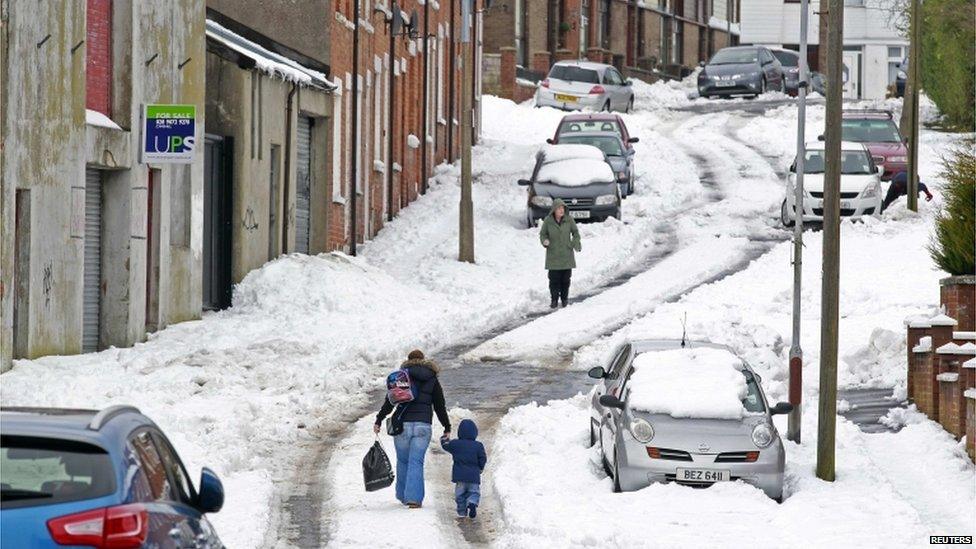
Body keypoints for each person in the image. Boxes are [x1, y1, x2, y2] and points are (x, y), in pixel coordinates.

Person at [374, 350, 451, 508]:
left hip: (402, 425)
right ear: (423, 361)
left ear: (408, 360)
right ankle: (414, 499)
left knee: (403, 460)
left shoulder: (401, 378)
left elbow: (389, 402)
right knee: (416, 461)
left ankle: (403, 495)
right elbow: (439, 406)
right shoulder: (432, 379)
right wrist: (446, 426)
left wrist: (379, 419)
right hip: (423, 425)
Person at [539, 198, 582, 309]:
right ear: (554, 210)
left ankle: (564, 299)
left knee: (565, 280)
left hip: (566, 254)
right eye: (559, 208)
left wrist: (574, 242)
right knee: (554, 280)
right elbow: (543, 234)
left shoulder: (569, 220)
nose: (561, 210)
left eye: (563, 208)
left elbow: (576, 233)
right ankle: (554, 300)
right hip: (553, 255)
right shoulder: (548, 221)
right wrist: (545, 241)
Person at [440, 419, 487, 519]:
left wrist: (444, 438)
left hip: (460, 476)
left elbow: (445, 445)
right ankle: (472, 503)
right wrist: (480, 467)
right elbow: (483, 458)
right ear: (475, 433)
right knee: (474, 492)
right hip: (474, 476)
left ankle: (462, 512)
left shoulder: (456, 444)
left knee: (460, 495)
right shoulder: (478, 445)